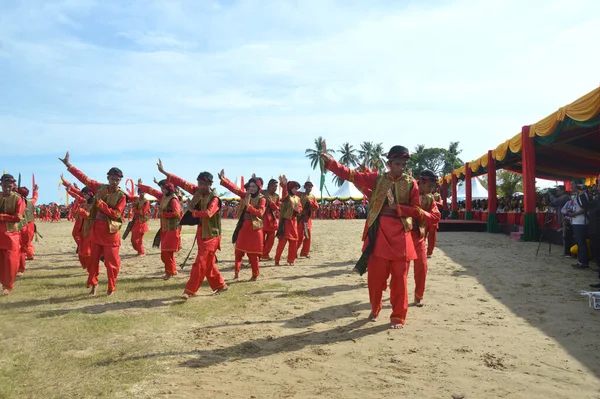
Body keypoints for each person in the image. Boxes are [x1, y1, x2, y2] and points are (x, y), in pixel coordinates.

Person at [320, 141, 438, 329]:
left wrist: (397, 208)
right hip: (379, 234)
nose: (400, 168)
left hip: (401, 236)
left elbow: (415, 209)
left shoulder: (411, 184)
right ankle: (375, 308)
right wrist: (332, 163)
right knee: (375, 278)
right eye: (397, 164)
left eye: (403, 165)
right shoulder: (376, 178)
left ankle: (398, 316)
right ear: (389, 163)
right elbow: (352, 175)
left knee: (400, 279)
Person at [157, 159, 228, 299]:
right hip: (202, 234)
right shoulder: (197, 192)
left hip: (212, 236)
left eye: (204, 184)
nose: (201, 186)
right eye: (199, 183)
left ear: (209, 184)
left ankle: (189, 291)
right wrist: (165, 172)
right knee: (208, 264)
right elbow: (182, 182)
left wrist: (191, 211)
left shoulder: (214, 199)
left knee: (200, 263)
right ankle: (221, 285)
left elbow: (208, 214)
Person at [59, 152, 127, 296]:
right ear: (108, 178)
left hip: (111, 234)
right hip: (96, 231)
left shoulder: (122, 196)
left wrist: (101, 205)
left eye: (117, 180)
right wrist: (69, 166)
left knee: (111, 263)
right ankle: (93, 285)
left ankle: (111, 287)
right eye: (112, 179)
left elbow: (117, 214)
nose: (115, 182)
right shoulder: (100, 187)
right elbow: (84, 178)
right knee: (93, 261)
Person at [218, 171, 266, 280]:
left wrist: (248, 207)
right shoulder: (245, 195)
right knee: (238, 251)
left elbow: (260, 213)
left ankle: (255, 274)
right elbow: (234, 189)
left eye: (254, 186)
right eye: (250, 186)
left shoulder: (262, 198)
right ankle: (236, 272)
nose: (252, 188)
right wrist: (223, 179)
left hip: (255, 229)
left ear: (258, 187)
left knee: (253, 255)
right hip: (244, 227)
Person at [138, 179, 182, 279]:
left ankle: (169, 272)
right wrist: (141, 186)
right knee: (167, 252)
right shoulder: (163, 197)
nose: (162, 190)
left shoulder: (173, 199)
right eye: (161, 188)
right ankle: (172, 270)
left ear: (169, 188)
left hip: (172, 229)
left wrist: (164, 214)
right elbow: (152, 191)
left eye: (164, 188)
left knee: (166, 253)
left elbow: (177, 213)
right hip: (165, 228)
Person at [411, 170, 441, 306]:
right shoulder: (406, 192)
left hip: (419, 235)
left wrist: (420, 213)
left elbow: (436, 216)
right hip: (402, 235)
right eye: (429, 186)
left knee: (422, 266)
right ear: (421, 182)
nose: (431, 189)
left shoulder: (430, 199)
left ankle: (418, 296)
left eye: (433, 186)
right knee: (400, 271)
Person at [0, 174, 26, 295]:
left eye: (10, 186)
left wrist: (2, 216)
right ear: (1, 185)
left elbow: (18, 217)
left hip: (11, 235)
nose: (7, 189)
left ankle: (8, 285)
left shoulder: (18, 199)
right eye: (5, 186)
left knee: (10, 261)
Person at [274, 176, 302, 266]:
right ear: (290, 188)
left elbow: (300, 208)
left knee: (294, 242)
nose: (296, 190)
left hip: (294, 222)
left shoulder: (297, 198)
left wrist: (298, 210)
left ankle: (291, 260)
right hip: (285, 222)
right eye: (295, 188)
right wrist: (284, 185)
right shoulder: (286, 197)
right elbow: (285, 193)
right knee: (282, 242)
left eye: (297, 188)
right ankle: (277, 259)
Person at [297, 179, 319, 258]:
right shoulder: (299, 194)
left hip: (307, 218)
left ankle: (305, 252)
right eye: (308, 186)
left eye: (311, 187)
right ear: (305, 187)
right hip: (299, 218)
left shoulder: (312, 197)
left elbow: (316, 207)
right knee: (299, 236)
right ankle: (294, 251)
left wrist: (311, 202)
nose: (309, 188)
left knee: (308, 235)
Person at [261, 179, 280, 260]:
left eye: (276, 186)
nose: (275, 188)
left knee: (271, 238)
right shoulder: (262, 192)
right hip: (262, 217)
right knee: (261, 238)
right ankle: (260, 253)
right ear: (269, 185)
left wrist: (271, 203)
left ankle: (265, 254)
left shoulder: (276, 196)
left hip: (271, 218)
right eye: (274, 186)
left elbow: (277, 207)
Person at [130, 189, 151, 257]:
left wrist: (135, 210)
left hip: (142, 222)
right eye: (140, 192)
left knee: (138, 239)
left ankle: (141, 251)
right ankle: (139, 250)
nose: (141, 193)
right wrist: (136, 210)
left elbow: (143, 212)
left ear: (145, 193)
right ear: (138, 193)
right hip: (135, 221)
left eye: (143, 192)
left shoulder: (146, 202)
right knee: (133, 239)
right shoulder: (136, 200)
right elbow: (133, 208)